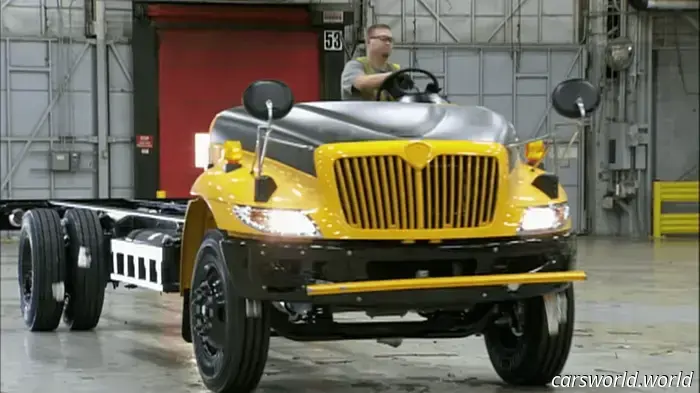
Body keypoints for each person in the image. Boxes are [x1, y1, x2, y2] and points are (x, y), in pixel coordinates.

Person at [341, 24, 412, 101]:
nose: (388, 43)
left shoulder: (396, 69)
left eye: (390, 40)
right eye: (383, 39)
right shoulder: (354, 66)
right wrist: (392, 77)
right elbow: (361, 83)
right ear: (368, 42)